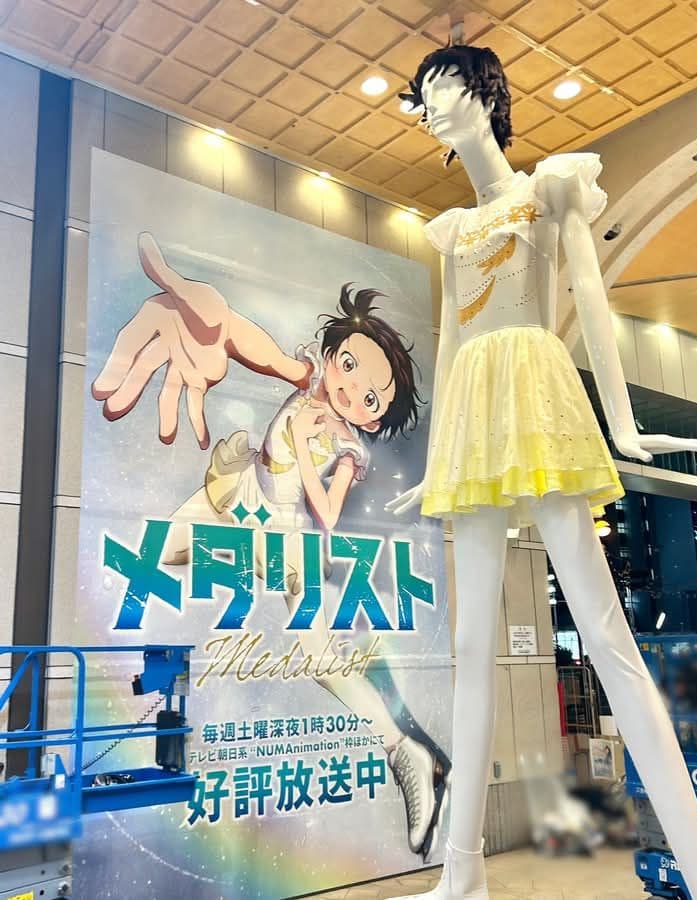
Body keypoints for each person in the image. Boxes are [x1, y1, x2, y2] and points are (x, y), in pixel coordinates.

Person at [386, 44, 697, 900]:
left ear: (485, 95)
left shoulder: (550, 188)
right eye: (424, 97)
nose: (433, 106)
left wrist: (622, 422)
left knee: (606, 634)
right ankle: (461, 877)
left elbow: (590, 299)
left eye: (443, 88)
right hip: (473, 414)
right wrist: (436, 459)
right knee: (469, 646)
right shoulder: (450, 231)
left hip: (536, 394)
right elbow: (452, 344)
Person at [91, 233, 450, 859]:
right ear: (332, 354)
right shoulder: (309, 383)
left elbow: (327, 515)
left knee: (318, 659)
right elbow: (264, 353)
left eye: (371, 399)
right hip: (234, 497)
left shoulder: (348, 448)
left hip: (285, 536)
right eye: (349, 367)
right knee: (152, 557)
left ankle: (405, 753)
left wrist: (311, 450)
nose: (352, 392)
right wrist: (224, 324)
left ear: (373, 418)